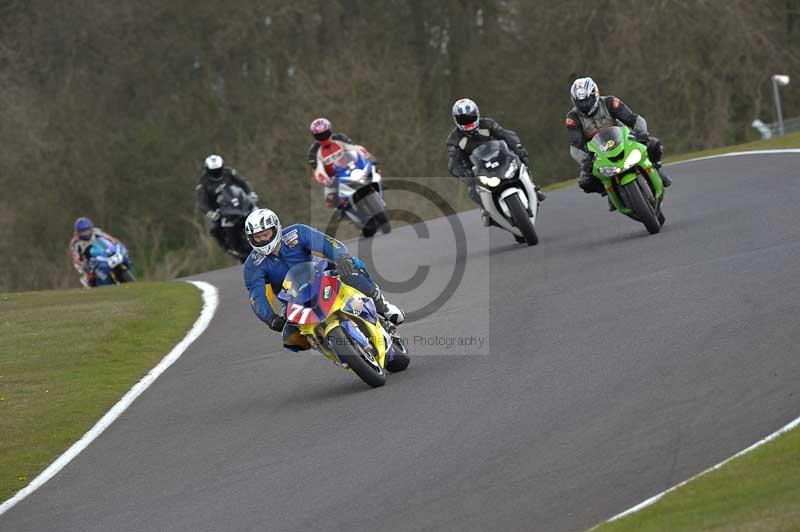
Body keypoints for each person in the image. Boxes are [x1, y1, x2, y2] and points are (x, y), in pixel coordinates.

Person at [243, 208, 404, 351]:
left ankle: (383, 306)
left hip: (323, 276)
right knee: (290, 339)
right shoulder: (253, 265)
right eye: (258, 237)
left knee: (353, 267)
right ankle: (326, 344)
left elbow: (326, 242)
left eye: (266, 234)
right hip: (293, 301)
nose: (263, 240)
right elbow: (257, 296)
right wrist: (270, 318)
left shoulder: (297, 233)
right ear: (251, 239)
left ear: (276, 228)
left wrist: (341, 258)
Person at [446, 98, 546, 226]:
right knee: (471, 189)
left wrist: (518, 148)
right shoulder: (453, 139)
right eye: (463, 120)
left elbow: (506, 135)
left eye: (470, 117)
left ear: (477, 114)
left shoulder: (488, 124)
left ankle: (532, 187)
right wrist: (464, 174)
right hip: (478, 168)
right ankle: (486, 210)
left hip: (500, 158)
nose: (468, 122)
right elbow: (453, 161)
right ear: (456, 120)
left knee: (521, 163)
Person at [566, 77, 672, 196]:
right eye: (580, 102)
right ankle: (609, 190)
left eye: (587, 100)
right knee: (585, 182)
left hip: (625, 142)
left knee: (654, 145)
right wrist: (585, 160)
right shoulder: (573, 118)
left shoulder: (610, 102)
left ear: (595, 94)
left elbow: (634, 119)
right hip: (598, 155)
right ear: (574, 100)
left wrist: (641, 133)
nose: (584, 105)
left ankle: (657, 169)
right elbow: (576, 145)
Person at [307, 118, 378, 209]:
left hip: (351, 169)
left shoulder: (340, 139)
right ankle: (346, 214)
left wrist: (368, 156)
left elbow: (355, 148)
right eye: (320, 135)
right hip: (334, 180)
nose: (323, 137)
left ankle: (379, 191)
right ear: (315, 136)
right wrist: (326, 180)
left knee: (374, 172)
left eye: (325, 133)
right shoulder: (314, 151)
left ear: (330, 130)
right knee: (330, 199)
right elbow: (318, 170)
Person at [196, 154, 259, 252]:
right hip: (220, 209)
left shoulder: (228, 172)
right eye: (213, 171)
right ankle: (229, 247)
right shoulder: (203, 182)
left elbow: (243, 182)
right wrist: (210, 213)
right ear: (207, 170)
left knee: (257, 211)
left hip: (238, 201)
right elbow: (202, 202)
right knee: (215, 229)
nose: (216, 173)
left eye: (218, 169)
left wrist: (250, 193)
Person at [68, 217, 120, 288]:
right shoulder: (75, 242)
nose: (86, 233)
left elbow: (108, 238)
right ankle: (92, 286)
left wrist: (116, 243)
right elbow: (75, 258)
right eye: (83, 231)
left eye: (87, 230)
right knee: (92, 276)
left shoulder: (96, 231)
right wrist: (83, 264)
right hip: (87, 262)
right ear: (78, 232)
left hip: (103, 255)